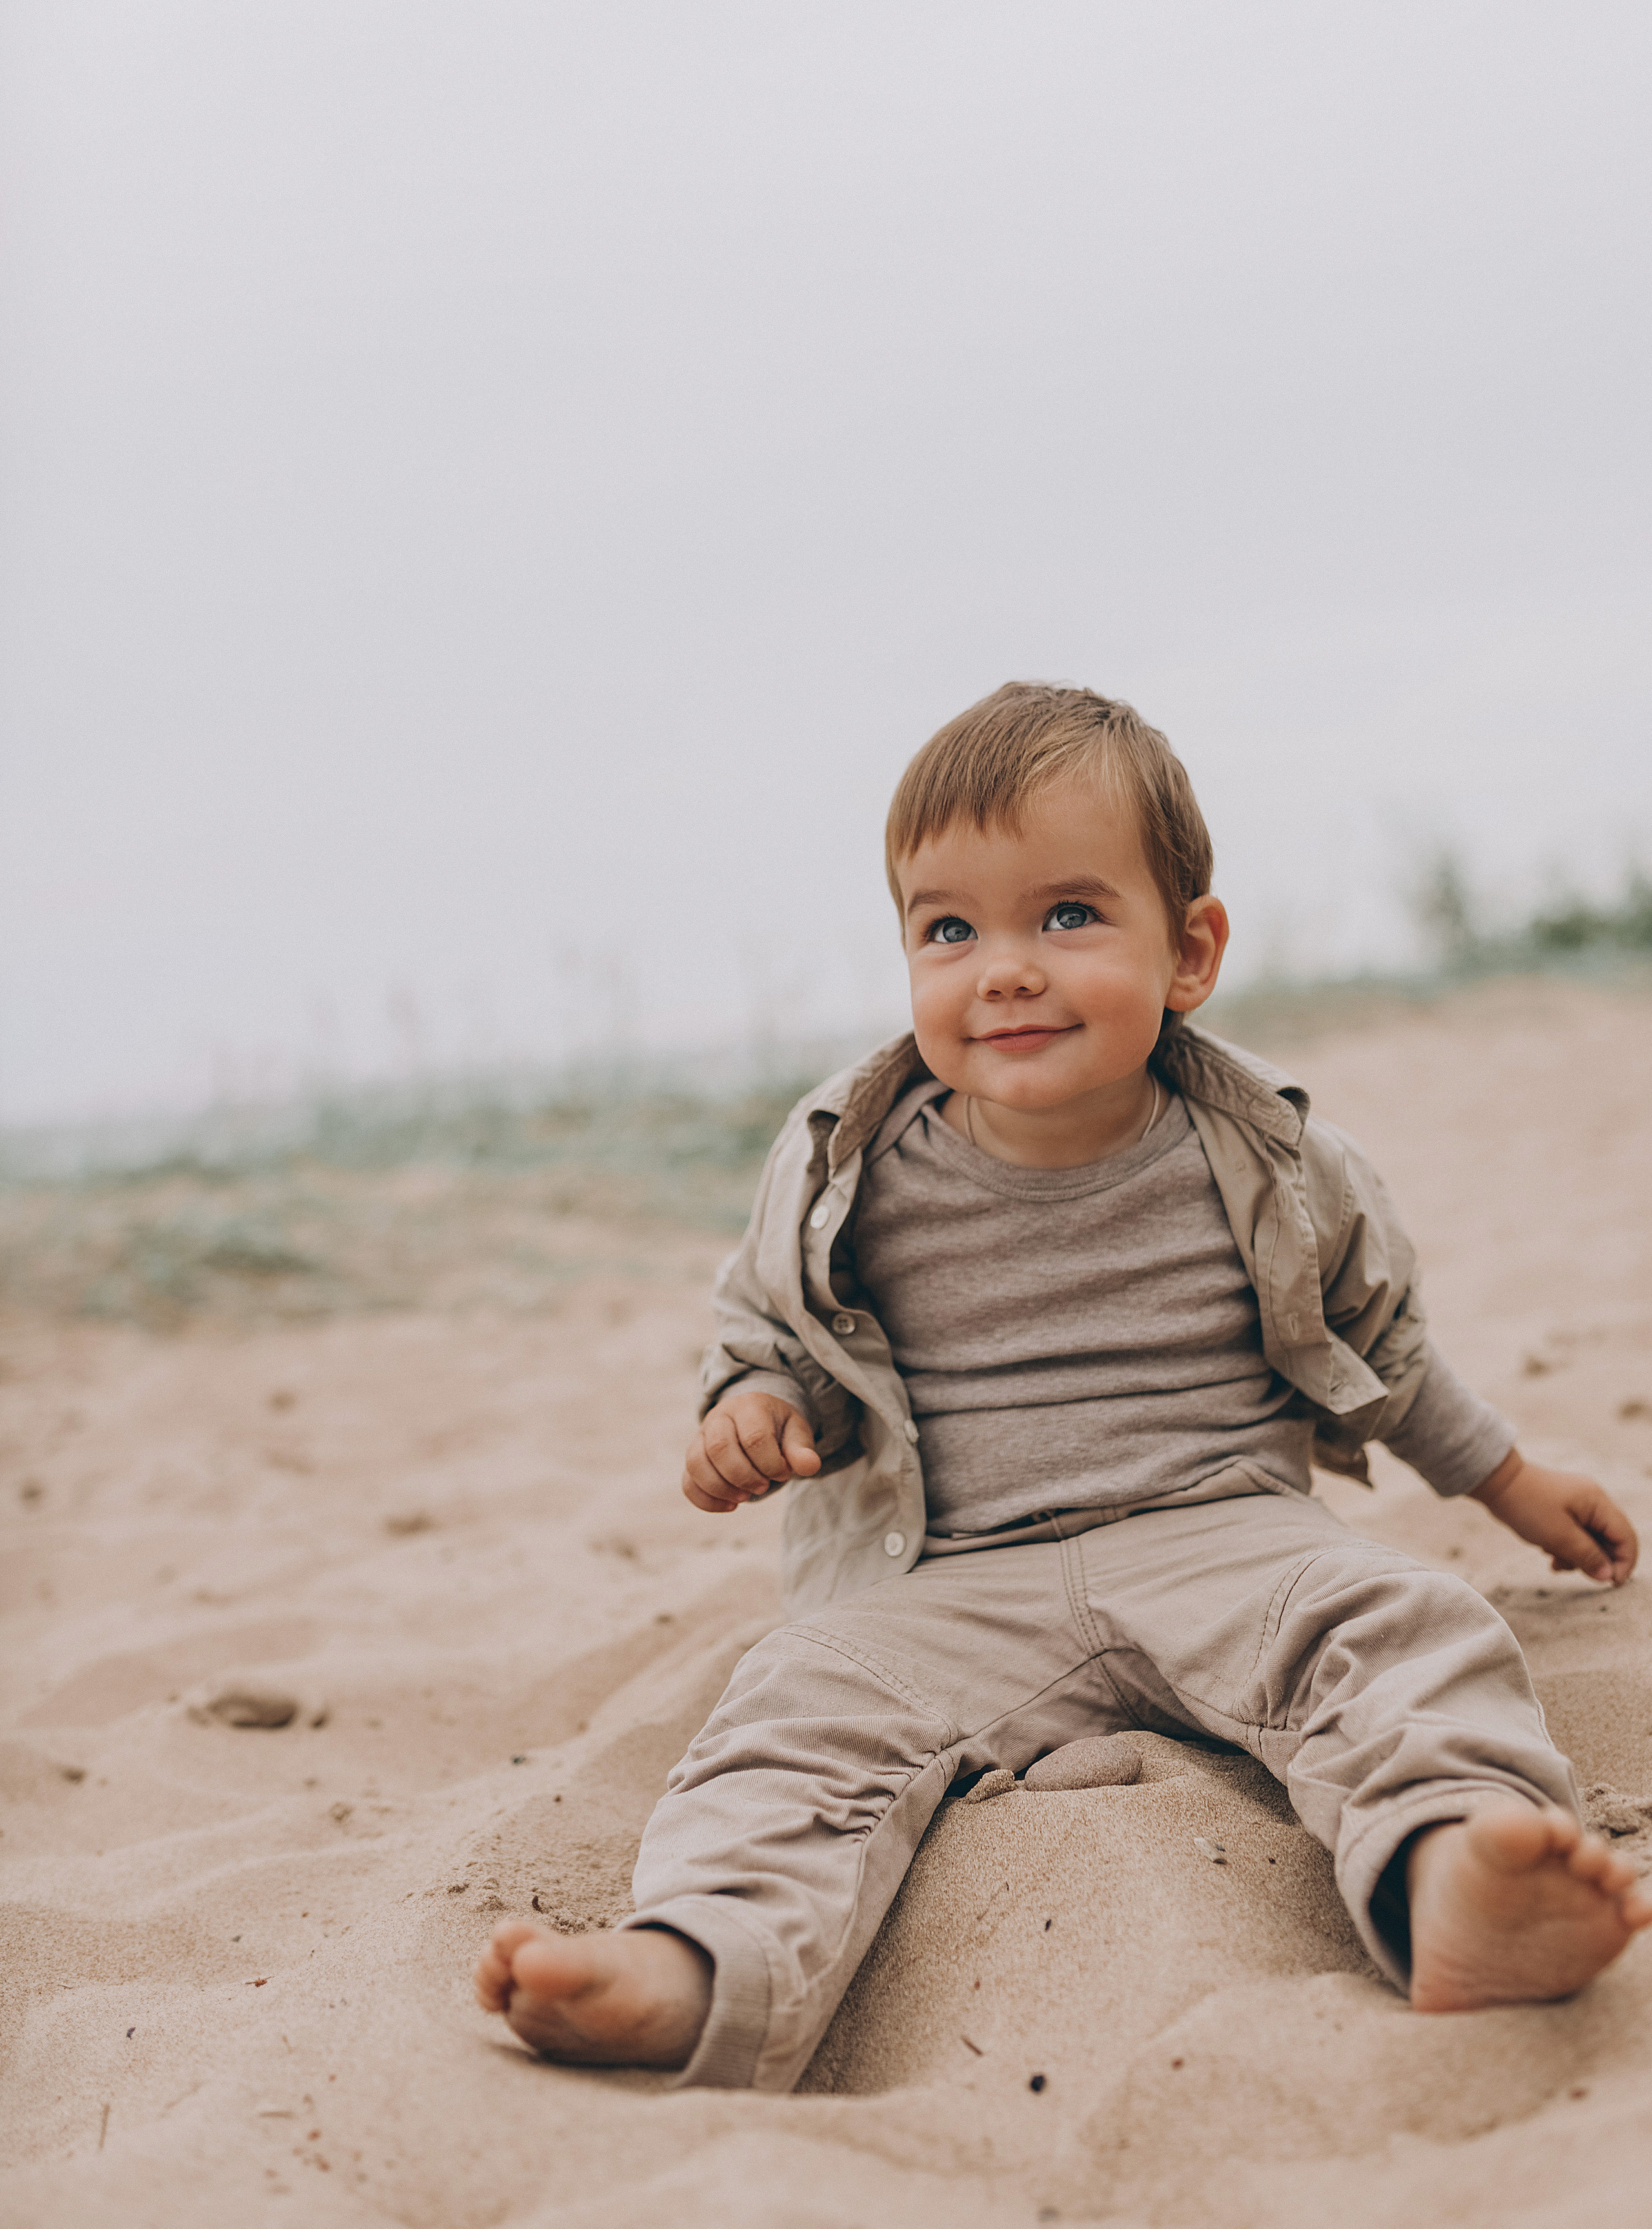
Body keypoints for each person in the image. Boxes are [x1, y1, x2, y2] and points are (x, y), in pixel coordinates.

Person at [475, 681, 1650, 2090]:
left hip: (1222, 1539)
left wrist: (1510, 1485)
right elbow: (769, 1334)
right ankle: (695, 1961)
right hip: (950, 1584)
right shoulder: (847, 1174)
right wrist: (751, 1410)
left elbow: (1376, 1349)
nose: (1004, 970)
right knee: (788, 1707)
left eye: (1068, 917)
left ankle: (1452, 1873)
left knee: (1400, 1621)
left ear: (1189, 952)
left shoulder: (1265, 1159)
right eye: (949, 929)